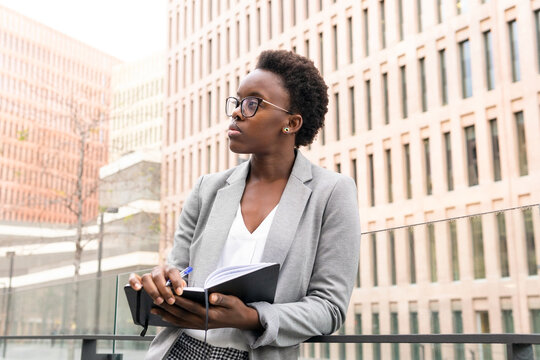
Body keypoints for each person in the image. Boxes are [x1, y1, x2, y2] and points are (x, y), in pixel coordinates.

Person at [129, 49, 361, 360]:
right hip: (180, 349)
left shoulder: (332, 193)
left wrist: (252, 318)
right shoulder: (207, 189)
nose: (237, 112)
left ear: (291, 123)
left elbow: (329, 307)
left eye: (253, 104)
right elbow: (180, 269)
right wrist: (162, 281)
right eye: (237, 102)